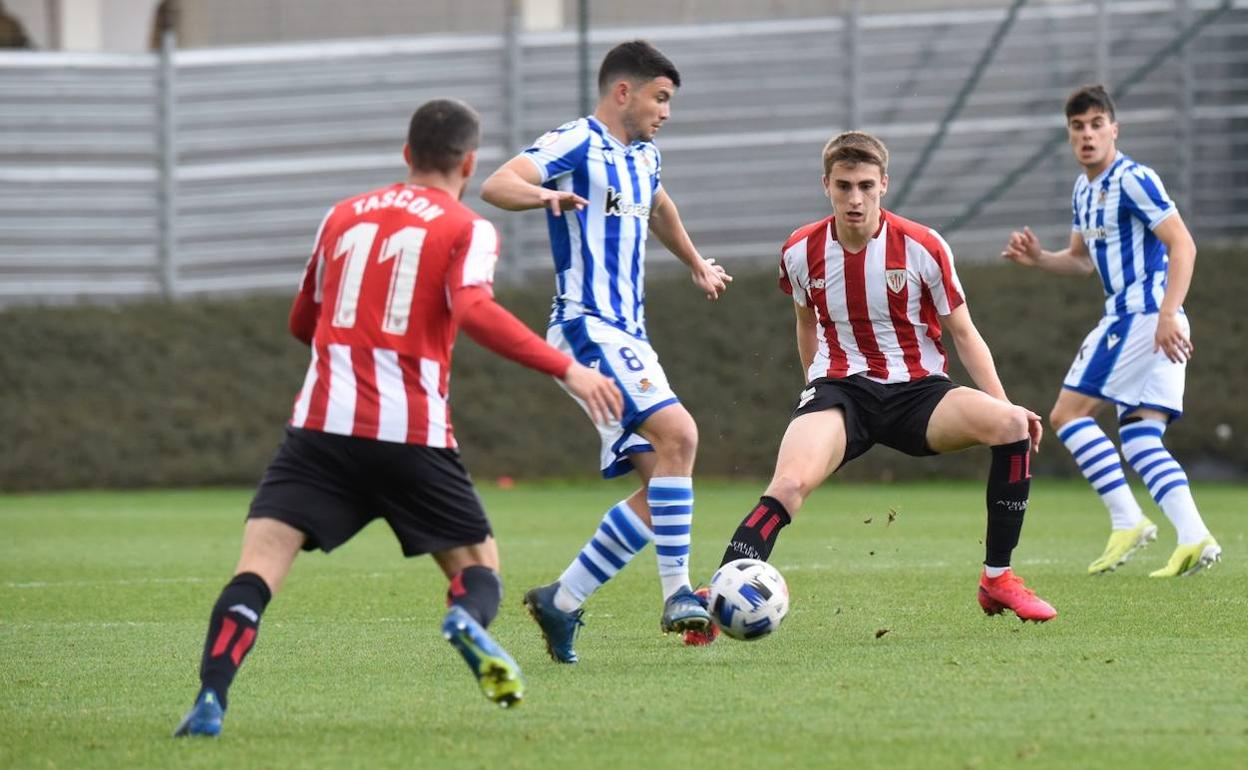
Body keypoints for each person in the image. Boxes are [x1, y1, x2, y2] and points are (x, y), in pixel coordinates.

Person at [173, 99, 623, 737]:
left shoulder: (341, 216)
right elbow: (471, 308)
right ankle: (466, 622)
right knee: (479, 569)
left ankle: (211, 700)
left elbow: (304, 322)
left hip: (320, 432)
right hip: (411, 434)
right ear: (469, 162)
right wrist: (566, 367)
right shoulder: (467, 227)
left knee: (257, 569)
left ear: (407, 154)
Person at [690, 130, 1057, 646]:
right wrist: (814, 390)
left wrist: (1004, 401)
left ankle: (997, 579)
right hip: (842, 392)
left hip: (920, 393)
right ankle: (718, 599)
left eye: (866, 185)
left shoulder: (924, 247)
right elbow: (805, 323)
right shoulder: (800, 250)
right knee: (789, 484)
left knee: (1013, 424)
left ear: (884, 183)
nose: (855, 199)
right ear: (826, 186)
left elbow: (964, 333)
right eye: (844, 186)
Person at [480, 40, 731, 663]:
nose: (666, 111)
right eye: (660, 98)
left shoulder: (645, 156)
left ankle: (561, 602)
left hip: (629, 334)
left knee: (661, 484)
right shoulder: (575, 141)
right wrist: (546, 196)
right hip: (587, 326)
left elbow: (658, 204)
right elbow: (496, 183)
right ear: (624, 92)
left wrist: (696, 262)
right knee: (681, 436)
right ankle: (677, 595)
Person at [1002, 85, 1220, 577]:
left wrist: (1167, 314)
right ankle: (1194, 536)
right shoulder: (1084, 190)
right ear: (1069, 135)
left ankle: (1127, 520)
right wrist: (1040, 259)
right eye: (1078, 127)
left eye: (1097, 124)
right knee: (1141, 437)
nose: (1087, 135)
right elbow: (1080, 261)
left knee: (1066, 415)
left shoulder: (1135, 179)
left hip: (1142, 318)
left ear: (1114, 130)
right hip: (1148, 320)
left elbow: (1183, 245)